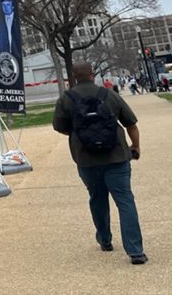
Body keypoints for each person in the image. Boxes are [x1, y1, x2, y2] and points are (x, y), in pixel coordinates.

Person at [52, 62, 147, 265]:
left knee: (97, 198)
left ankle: (105, 239)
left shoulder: (66, 99)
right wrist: (136, 146)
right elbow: (131, 123)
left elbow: (59, 126)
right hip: (116, 156)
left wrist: (78, 135)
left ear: (73, 77)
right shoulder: (109, 95)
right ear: (92, 75)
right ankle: (135, 251)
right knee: (125, 200)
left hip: (86, 159)